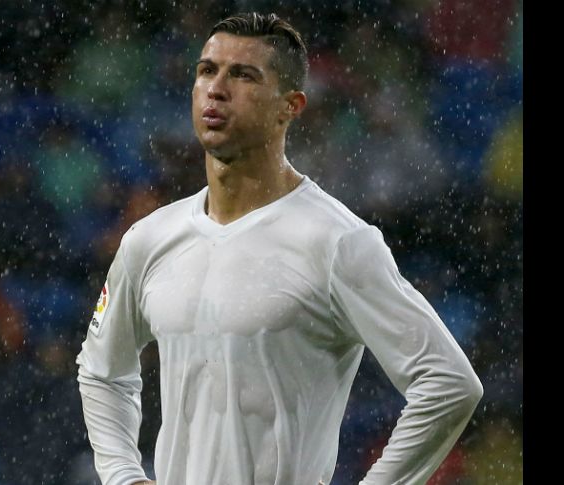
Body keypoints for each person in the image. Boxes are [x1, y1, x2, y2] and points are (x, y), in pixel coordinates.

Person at [76, 12, 483, 485]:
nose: (217, 88)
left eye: (243, 75)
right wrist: (124, 475)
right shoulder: (149, 239)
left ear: (289, 106)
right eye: (207, 70)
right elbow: (102, 371)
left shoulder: (337, 242)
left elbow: (448, 384)